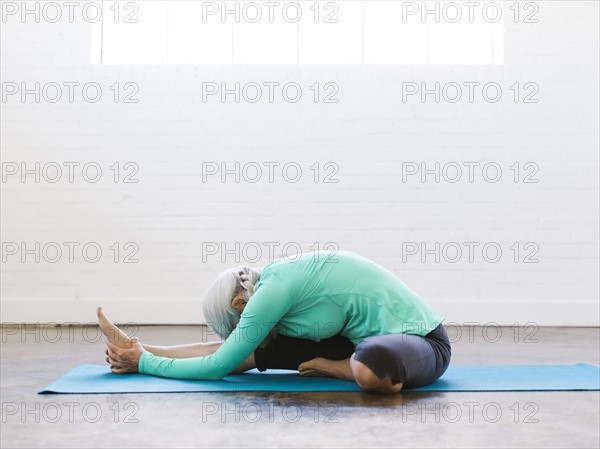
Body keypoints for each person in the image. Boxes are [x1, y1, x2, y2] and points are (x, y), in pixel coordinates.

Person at [100, 250, 451, 393]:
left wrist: (147, 365)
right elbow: (231, 353)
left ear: (241, 303)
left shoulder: (270, 293)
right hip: (356, 339)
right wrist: (141, 352)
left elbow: (215, 366)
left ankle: (338, 367)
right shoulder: (269, 283)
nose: (241, 333)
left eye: (238, 326)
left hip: (421, 343)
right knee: (258, 352)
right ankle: (139, 348)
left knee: (370, 365)